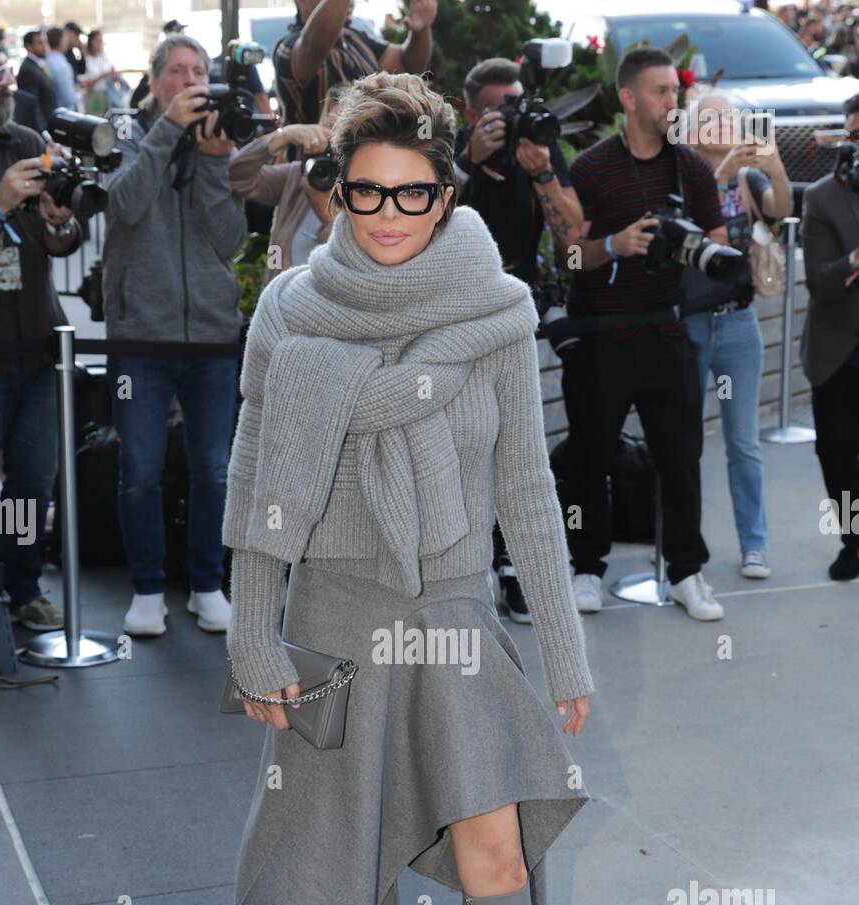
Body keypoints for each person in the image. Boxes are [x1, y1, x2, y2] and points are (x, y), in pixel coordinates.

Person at [223, 69, 596, 905]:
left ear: (445, 189)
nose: (386, 217)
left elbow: (523, 488)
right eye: (363, 193)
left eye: (411, 194)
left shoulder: (492, 310)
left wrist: (567, 658)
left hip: (446, 615)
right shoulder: (288, 313)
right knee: (359, 848)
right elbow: (253, 489)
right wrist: (249, 636)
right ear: (330, 188)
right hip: (330, 618)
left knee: (494, 849)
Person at [559, 46, 727, 619]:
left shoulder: (693, 167)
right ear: (629, 99)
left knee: (680, 458)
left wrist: (698, 248)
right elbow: (567, 261)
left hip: (666, 331)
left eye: (674, 91)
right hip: (603, 336)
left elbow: (720, 249)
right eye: (660, 91)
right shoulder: (589, 168)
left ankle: (686, 572)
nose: (671, 101)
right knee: (590, 456)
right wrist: (614, 245)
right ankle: (586, 569)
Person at [102, 33, 247, 636]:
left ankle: (208, 584)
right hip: (142, 340)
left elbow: (230, 240)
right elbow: (123, 206)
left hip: (212, 340)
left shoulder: (219, 141)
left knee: (215, 469)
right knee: (141, 467)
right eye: (178, 71)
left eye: (199, 71)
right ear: (157, 80)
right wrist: (165, 132)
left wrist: (214, 163)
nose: (191, 81)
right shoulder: (123, 134)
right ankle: (146, 589)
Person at [454, 55, 582, 623]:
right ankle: (459, 567)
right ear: (469, 111)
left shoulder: (539, 146)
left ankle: (511, 566)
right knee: (457, 447)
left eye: (516, 102)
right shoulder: (448, 150)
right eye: (497, 107)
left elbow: (573, 231)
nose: (509, 115)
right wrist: (469, 162)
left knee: (515, 449)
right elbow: (413, 224)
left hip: (513, 316)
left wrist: (542, 173)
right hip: (451, 318)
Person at [682, 91, 793, 580]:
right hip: (688, 323)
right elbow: (685, 229)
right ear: (690, 132)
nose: (725, 125)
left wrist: (778, 170)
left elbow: (783, 212)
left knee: (743, 442)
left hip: (738, 322)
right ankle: (682, 553)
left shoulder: (747, 179)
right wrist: (722, 171)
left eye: (729, 118)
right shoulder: (681, 178)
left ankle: (755, 545)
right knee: (682, 443)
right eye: (712, 120)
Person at [0, 47, 81, 631]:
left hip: (39, 346)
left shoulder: (29, 140)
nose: (4, 81)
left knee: (29, 485)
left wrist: (56, 220)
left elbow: (64, 243)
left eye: (1, 68)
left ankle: (22, 587)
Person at [799, 90, 859, 579]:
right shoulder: (821, 197)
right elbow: (820, 282)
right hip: (839, 347)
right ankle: (852, 541)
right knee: (837, 451)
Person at [228, 88, 343, 279]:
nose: (335, 142)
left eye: (346, 131)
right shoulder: (297, 177)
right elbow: (237, 178)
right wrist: (281, 137)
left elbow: (359, 261)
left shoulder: (372, 194)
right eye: (331, 127)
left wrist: (326, 214)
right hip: (277, 304)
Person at [274, 0, 434, 126]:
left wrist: (420, 31)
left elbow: (407, 66)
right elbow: (314, 46)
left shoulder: (356, 39)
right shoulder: (288, 47)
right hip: (314, 164)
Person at [16, 30, 57, 129]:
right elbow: (30, 106)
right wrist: (41, 130)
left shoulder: (37, 64)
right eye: (40, 43)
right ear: (28, 46)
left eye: (45, 42)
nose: (45, 46)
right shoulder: (28, 70)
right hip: (42, 128)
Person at [78, 30, 115, 115]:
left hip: (107, 94)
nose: (100, 44)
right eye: (97, 41)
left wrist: (113, 75)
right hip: (94, 96)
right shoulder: (85, 60)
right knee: (97, 117)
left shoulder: (103, 57)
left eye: (101, 41)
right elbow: (82, 83)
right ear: (91, 42)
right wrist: (101, 77)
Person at [44, 27, 79, 111]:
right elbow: (68, 99)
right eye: (66, 39)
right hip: (65, 112)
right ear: (61, 42)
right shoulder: (61, 64)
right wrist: (81, 94)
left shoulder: (46, 60)